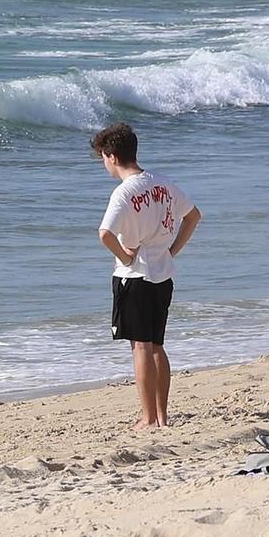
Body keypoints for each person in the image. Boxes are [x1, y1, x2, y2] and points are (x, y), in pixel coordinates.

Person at [92, 122, 202, 429]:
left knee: (140, 346)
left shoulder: (123, 192)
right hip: (163, 272)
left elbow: (104, 234)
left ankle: (148, 416)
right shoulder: (162, 183)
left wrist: (125, 255)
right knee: (155, 345)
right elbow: (193, 216)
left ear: (111, 156)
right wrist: (173, 249)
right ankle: (162, 415)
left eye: (103, 157)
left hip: (135, 275)